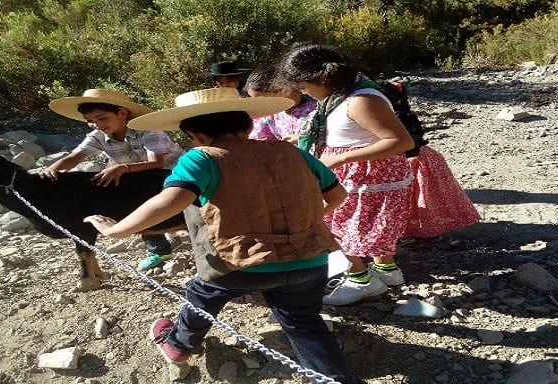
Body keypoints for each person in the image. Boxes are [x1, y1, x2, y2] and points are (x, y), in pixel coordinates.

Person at [83, 87, 361, 384]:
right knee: (304, 322)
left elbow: (171, 200)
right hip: (309, 260)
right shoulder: (293, 152)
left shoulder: (201, 158)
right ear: (249, 125)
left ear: (193, 134)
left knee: (202, 294)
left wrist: (116, 230)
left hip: (239, 265)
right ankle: (335, 379)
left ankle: (178, 346)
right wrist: (308, 221)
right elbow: (338, 195)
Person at [278, 44, 416, 306]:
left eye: (303, 86)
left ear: (320, 78)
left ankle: (360, 280)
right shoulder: (343, 96)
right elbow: (351, 131)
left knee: (327, 225)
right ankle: (387, 271)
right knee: (361, 227)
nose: (303, 92)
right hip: (364, 176)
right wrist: (301, 138)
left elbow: (401, 141)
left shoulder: (361, 100)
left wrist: (340, 158)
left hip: (367, 178)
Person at [43, 88, 184, 272]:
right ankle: (159, 250)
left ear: (122, 113)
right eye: (90, 121)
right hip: (138, 179)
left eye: (102, 118)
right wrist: (50, 172)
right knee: (137, 207)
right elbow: (74, 158)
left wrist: (123, 168)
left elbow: (157, 163)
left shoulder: (148, 130)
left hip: (173, 175)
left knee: (179, 210)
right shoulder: (98, 137)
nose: (96, 125)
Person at [378, 81, 481, 242]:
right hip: (422, 157)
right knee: (425, 197)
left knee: (410, 198)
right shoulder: (405, 113)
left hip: (409, 161)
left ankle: (409, 230)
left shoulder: (394, 117)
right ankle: (419, 229)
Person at [245, 65, 317, 144]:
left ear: (282, 88)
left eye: (264, 100)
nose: (260, 104)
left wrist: (302, 138)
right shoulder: (269, 115)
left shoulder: (317, 106)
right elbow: (256, 138)